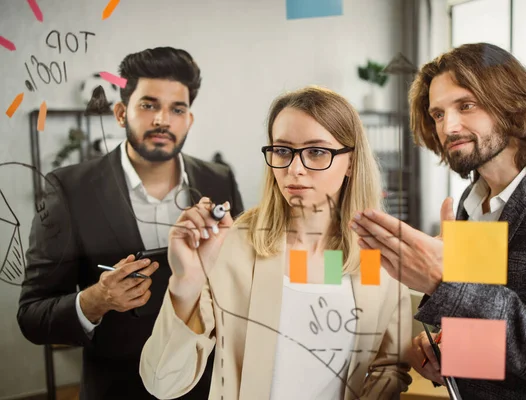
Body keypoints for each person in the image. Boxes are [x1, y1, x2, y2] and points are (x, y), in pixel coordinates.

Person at [350, 42, 526, 399]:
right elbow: (493, 334)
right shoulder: (472, 202)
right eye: (437, 114)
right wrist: (444, 351)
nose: (449, 126)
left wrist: (445, 282)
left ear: (511, 104)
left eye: (466, 106)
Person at [139, 86, 414, 399]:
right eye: (283, 151)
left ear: (351, 161)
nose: (295, 169)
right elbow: (162, 383)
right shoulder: (234, 246)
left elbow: (389, 367)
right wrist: (186, 283)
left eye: (316, 152)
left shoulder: (381, 256)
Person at [17, 47, 244, 400]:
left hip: (206, 383)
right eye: (149, 105)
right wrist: (95, 300)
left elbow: (240, 278)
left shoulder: (219, 181)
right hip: (118, 388)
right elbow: (31, 315)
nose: (162, 120)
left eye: (177, 109)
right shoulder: (69, 189)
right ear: (122, 113)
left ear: (189, 119)